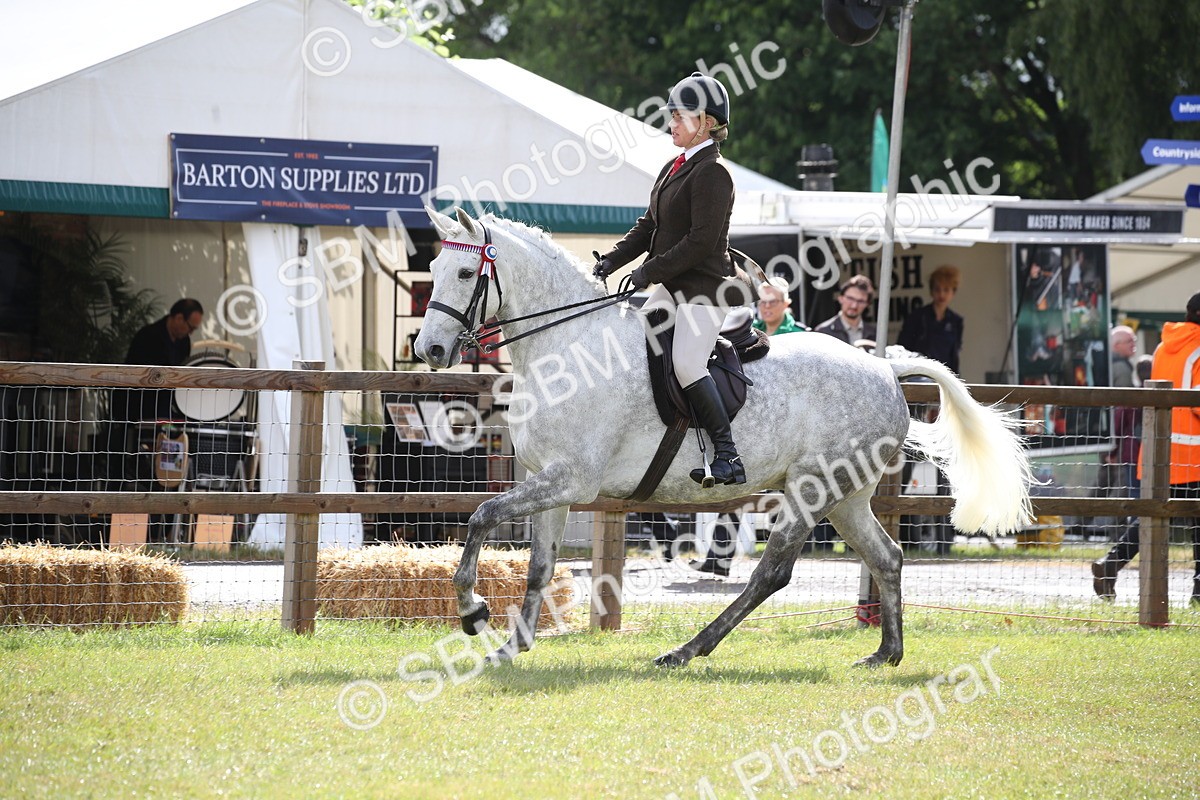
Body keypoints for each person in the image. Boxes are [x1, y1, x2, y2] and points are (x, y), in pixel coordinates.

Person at [595, 72, 747, 488]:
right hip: (673, 286)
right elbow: (649, 226)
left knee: (686, 363)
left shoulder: (714, 173)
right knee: (634, 343)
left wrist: (647, 272)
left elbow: (700, 242)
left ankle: (728, 454)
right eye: (673, 115)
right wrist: (613, 260)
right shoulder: (673, 167)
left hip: (704, 289)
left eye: (680, 116)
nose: (672, 123)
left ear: (706, 123)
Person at [693, 277, 806, 576]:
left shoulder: (798, 336)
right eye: (762, 302)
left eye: (773, 301)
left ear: (786, 304)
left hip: (784, 425)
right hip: (756, 421)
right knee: (738, 489)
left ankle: (775, 560)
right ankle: (719, 558)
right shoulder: (747, 333)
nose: (766, 307)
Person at [1092, 293, 1200, 603]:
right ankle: (1198, 593)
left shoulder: (1164, 346)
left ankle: (1110, 564)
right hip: (1193, 454)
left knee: (1151, 518)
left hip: (1159, 451)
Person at [897, 265, 964, 375]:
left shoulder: (956, 321)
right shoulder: (917, 317)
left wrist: (956, 378)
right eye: (937, 289)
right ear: (931, 291)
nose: (941, 294)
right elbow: (903, 348)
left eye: (946, 290)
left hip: (945, 375)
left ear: (953, 292)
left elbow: (954, 356)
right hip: (919, 374)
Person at [814, 275, 876, 345]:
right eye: (850, 298)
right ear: (840, 298)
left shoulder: (875, 333)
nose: (854, 305)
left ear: (867, 304)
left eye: (860, 301)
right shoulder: (823, 332)